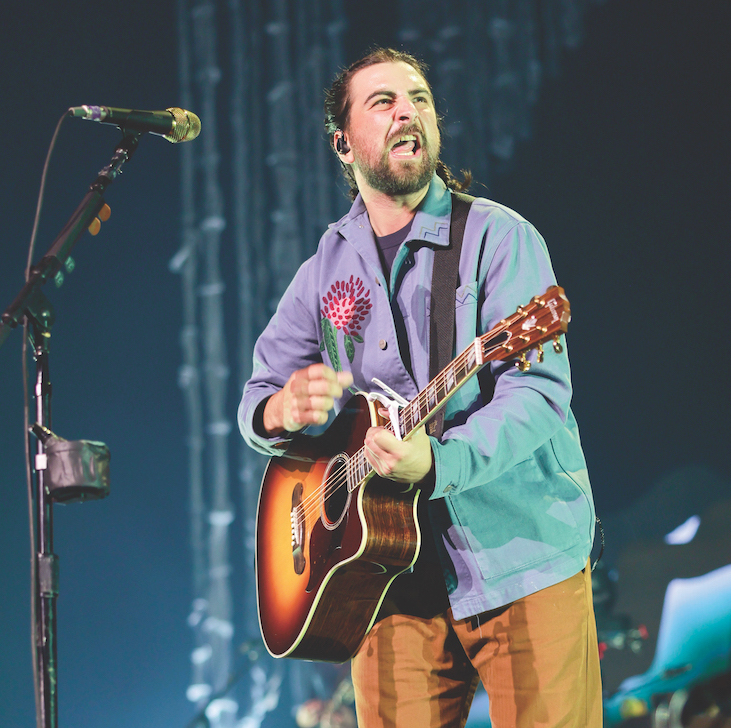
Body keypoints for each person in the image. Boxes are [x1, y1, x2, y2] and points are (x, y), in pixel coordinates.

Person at [239, 47, 601, 728]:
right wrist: (278, 409)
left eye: (420, 99)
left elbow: (540, 398)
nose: (409, 111)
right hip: (386, 581)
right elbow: (259, 395)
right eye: (384, 101)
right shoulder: (324, 268)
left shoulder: (500, 237)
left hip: (521, 556)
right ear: (343, 145)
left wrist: (439, 462)